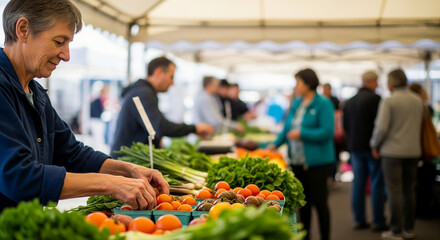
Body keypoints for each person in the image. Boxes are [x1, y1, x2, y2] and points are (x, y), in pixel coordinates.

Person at [0, 0, 169, 212]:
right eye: (59, 41)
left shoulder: (36, 94)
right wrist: (111, 185)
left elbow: (72, 154)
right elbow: (18, 177)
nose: (66, 55)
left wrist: (129, 170)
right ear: (23, 29)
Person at [268, 69, 335, 240]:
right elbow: (287, 128)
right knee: (303, 205)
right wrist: (275, 144)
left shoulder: (324, 104)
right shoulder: (297, 103)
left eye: (298, 82)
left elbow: (327, 132)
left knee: (320, 204)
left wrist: (302, 133)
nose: (296, 86)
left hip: (318, 163)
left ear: (308, 83)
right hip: (297, 162)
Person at [110, 57, 214, 157]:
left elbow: (152, 128)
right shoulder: (143, 93)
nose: (172, 82)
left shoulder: (143, 91)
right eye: (171, 77)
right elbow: (160, 127)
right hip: (125, 163)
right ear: (158, 73)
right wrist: (195, 128)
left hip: (133, 160)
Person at [370, 69, 424, 240]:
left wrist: (374, 145)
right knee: (409, 190)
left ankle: (396, 231)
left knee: (394, 191)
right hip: (414, 151)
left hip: (392, 152)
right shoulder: (417, 100)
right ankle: (410, 229)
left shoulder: (389, 101)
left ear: (391, 83)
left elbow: (382, 128)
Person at [343, 71, 387, 231]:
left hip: (355, 147)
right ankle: (378, 221)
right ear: (372, 81)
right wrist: (377, 145)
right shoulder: (376, 99)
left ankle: (359, 219)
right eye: (377, 81)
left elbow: (345, 125)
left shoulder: (350, 101)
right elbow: (380, 126)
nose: (378, 84)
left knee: (358, 183)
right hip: (372, 148)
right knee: (376, 183)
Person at [408, 83, 437, 218]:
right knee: (423, 181)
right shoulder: (424, 108)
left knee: (414, 182)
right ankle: (421, 208)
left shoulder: (410, 106)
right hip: (422, 148)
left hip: (412, 148)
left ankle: (415, 210)